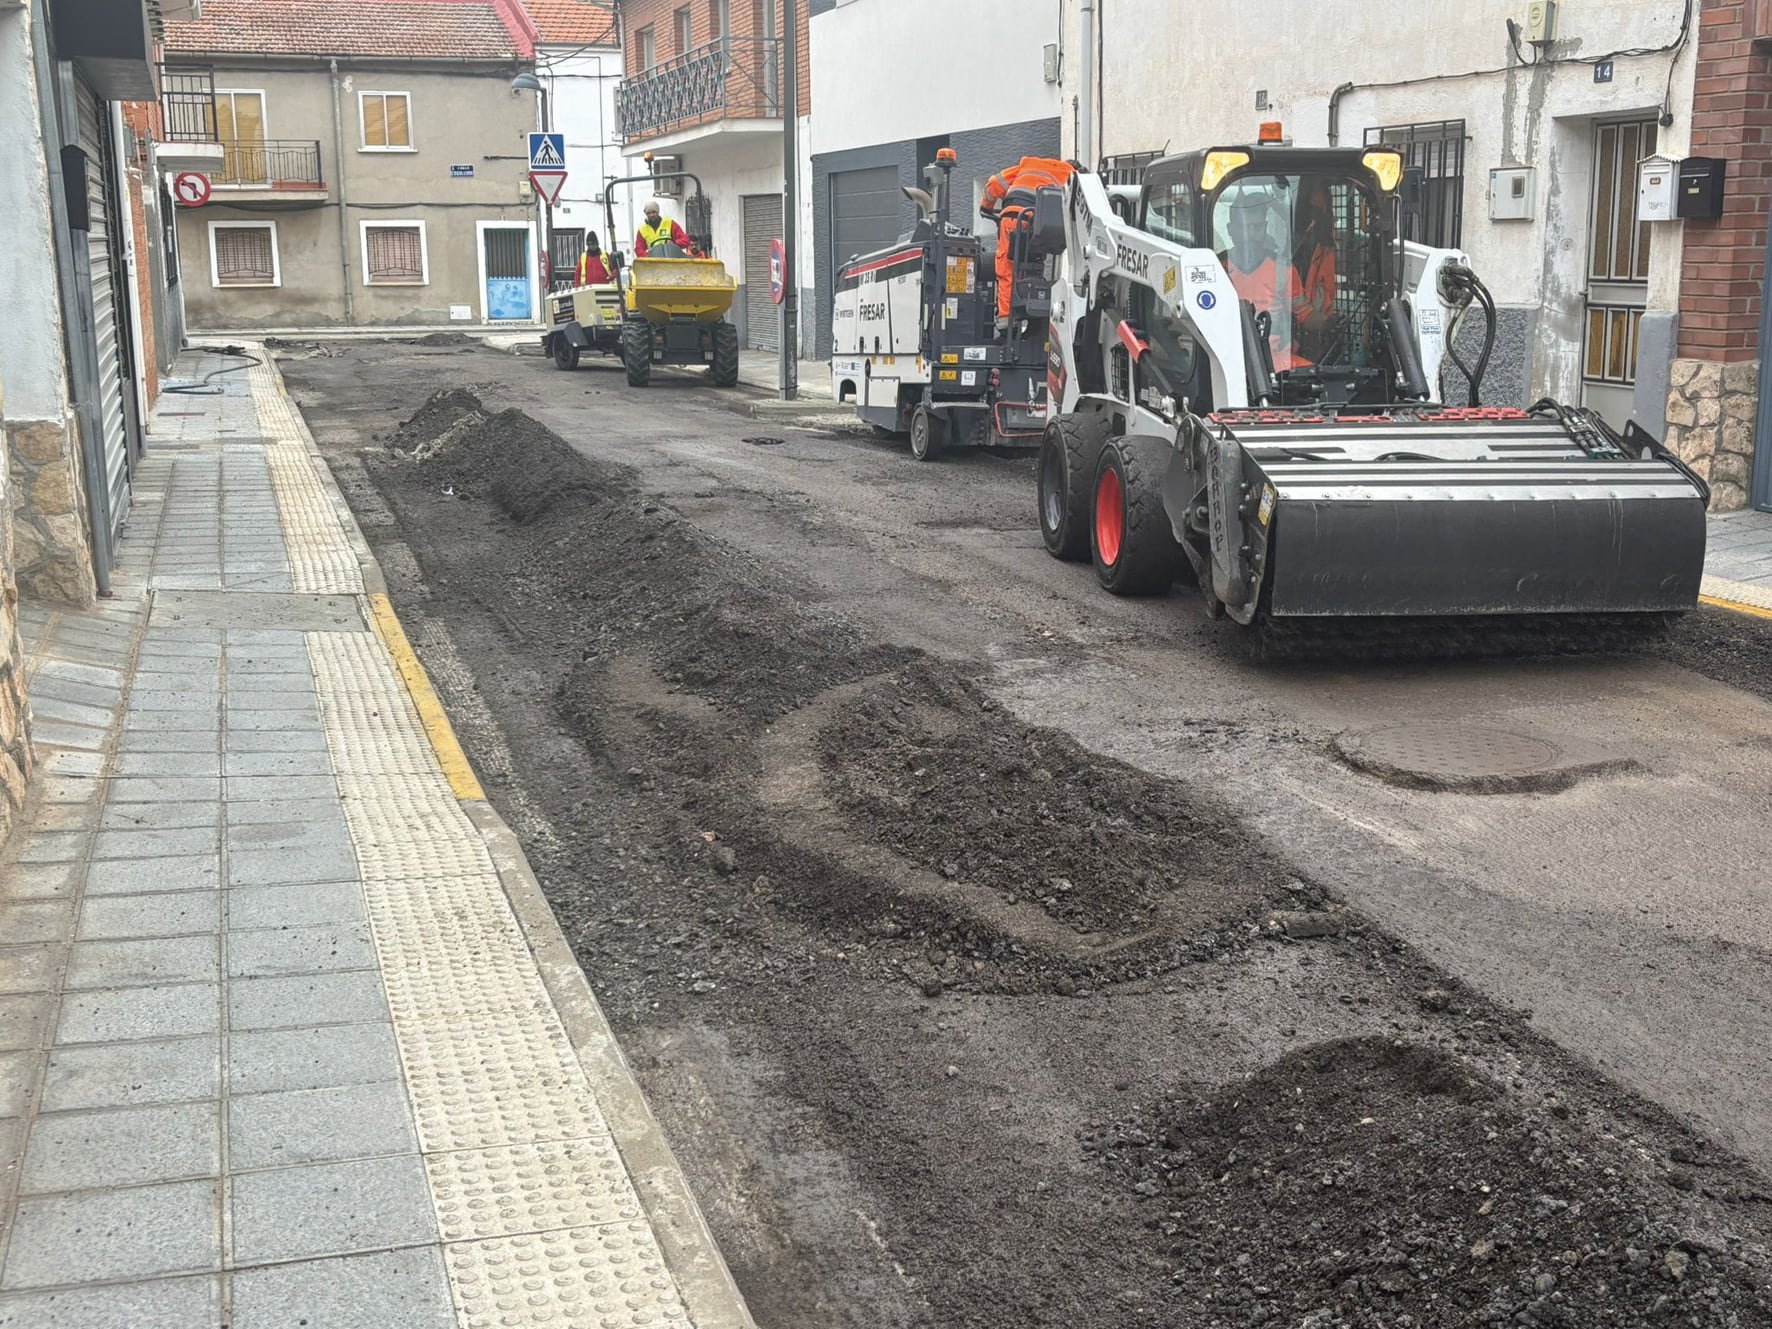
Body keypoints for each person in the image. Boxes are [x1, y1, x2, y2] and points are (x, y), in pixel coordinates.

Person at [1219, 189, 1311, 372]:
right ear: (1230, 230)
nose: (1251, 234)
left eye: (1258, 227)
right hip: (1229, 362)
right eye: (1244, 227)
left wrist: (1331, 321)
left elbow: (1306, 315)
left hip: (1279, 363)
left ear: (1266, 227)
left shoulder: (1283, 269)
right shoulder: (1216, 268)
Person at [980, 156, 1075, 320]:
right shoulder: (1072, 176)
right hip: (1039, 226)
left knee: (1007, 266)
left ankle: (1005, 320)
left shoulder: (1030, 164)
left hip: (1014, 217)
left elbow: (994, 183)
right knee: (1034, 265)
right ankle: (1032, 311)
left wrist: (986, 206)